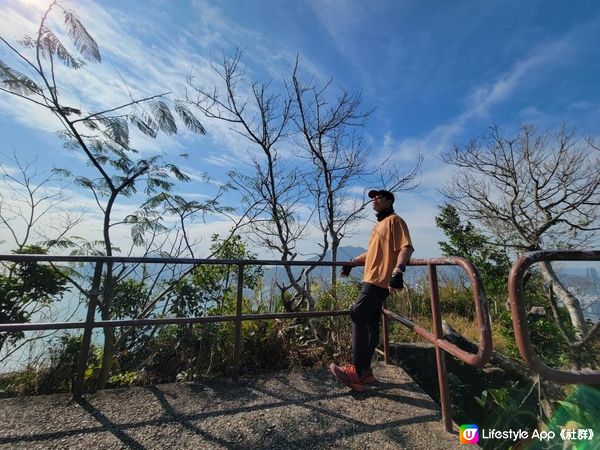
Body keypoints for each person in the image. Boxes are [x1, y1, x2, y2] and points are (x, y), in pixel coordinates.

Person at [330, 189, 414, 392]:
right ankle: (366, 373)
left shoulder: (395, 220)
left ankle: (356, 372)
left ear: (389, 200)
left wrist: (398, 271)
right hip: (372, 278)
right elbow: (373, 253)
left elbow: (407, 247)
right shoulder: (379, 226)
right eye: (372, 198)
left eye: (378, 197)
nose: (374, 200)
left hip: (380, 280)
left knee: (357, 313)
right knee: (370, 323)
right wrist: (353, 262)